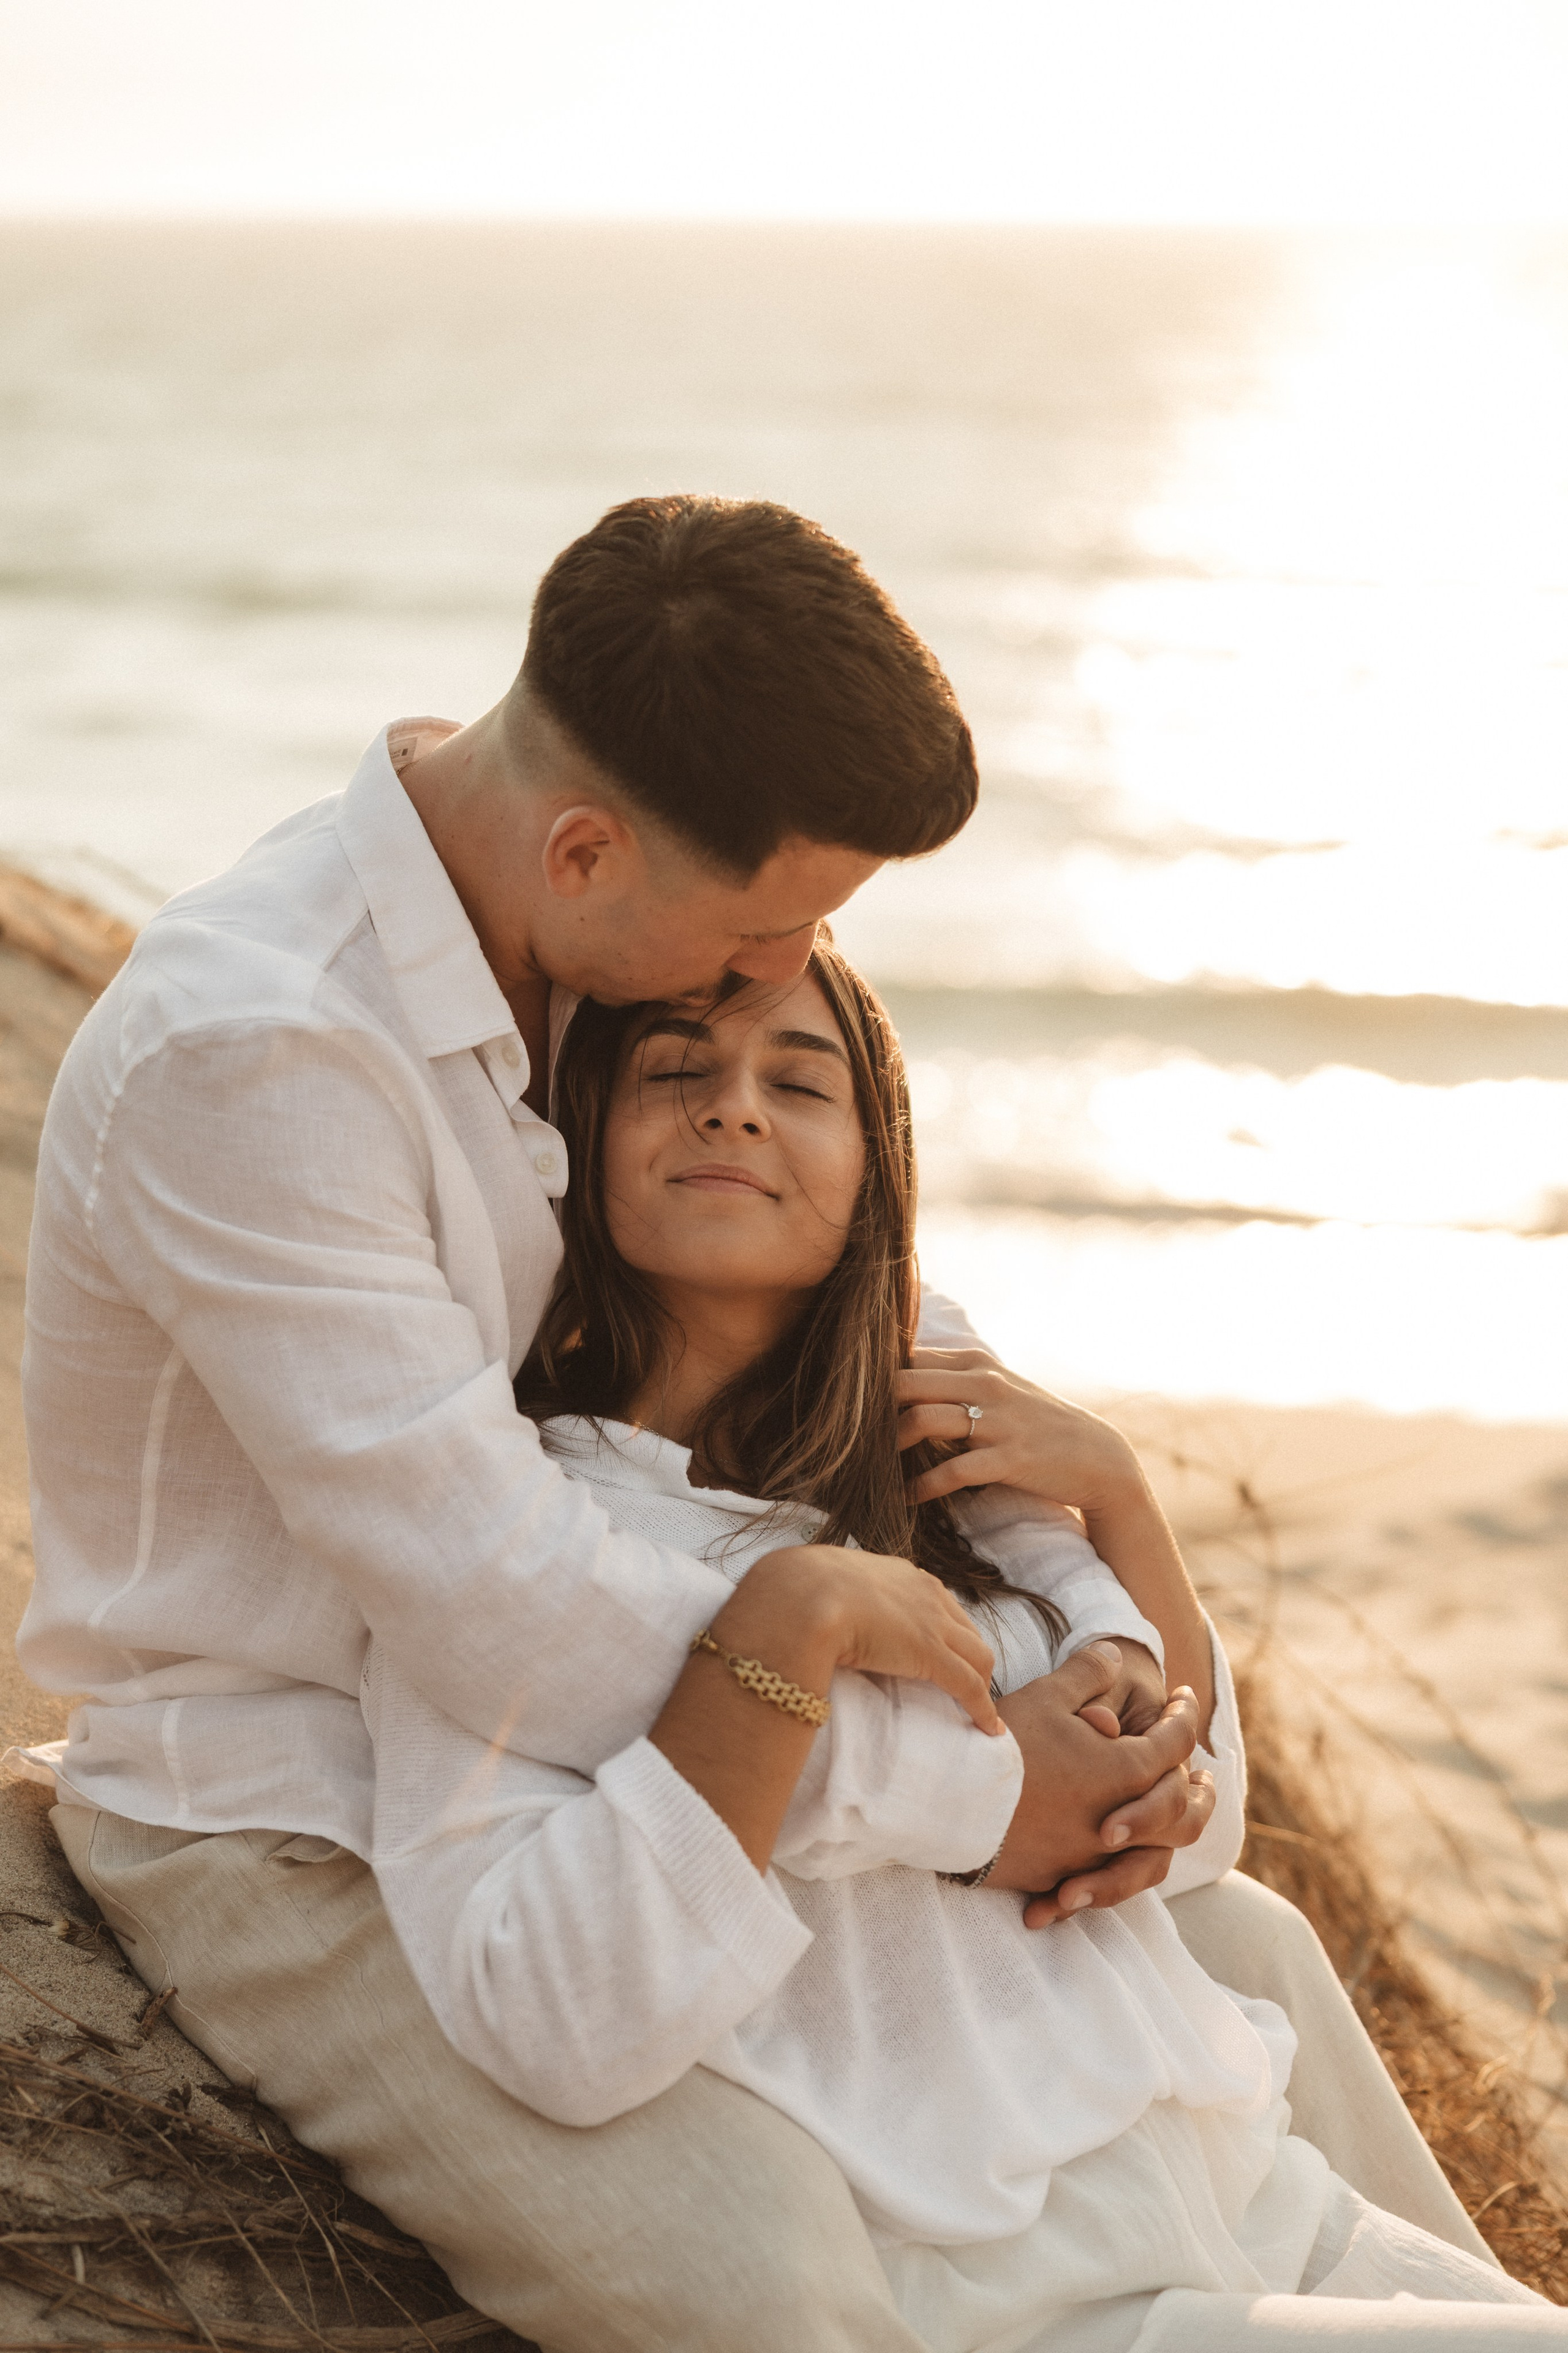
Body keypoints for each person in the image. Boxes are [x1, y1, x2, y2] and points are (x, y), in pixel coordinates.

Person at [9, 496, 1493, 2351]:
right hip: (312, 1808)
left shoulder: (589, 945)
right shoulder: (262, 1054)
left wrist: (1088, 1520)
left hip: (629, 1748)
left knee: (1247, 1949)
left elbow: (856, 1296)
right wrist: (977, 1795)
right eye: (777, 913)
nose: (777, 966)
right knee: (763, 2269)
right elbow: (507, 1616)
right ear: (586, 846)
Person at [364, 945, 1553, 2350]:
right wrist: (793, 1634)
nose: (734, 1108)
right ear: (575, 1144)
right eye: (675, 1073)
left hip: (1256, 2201)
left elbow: (1205, 1826)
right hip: (1027, 2287)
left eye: (797, 1084)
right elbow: (565, 2003)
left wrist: (1114, 1488)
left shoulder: (942, 1469)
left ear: (876, 1170)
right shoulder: (529, 1530)